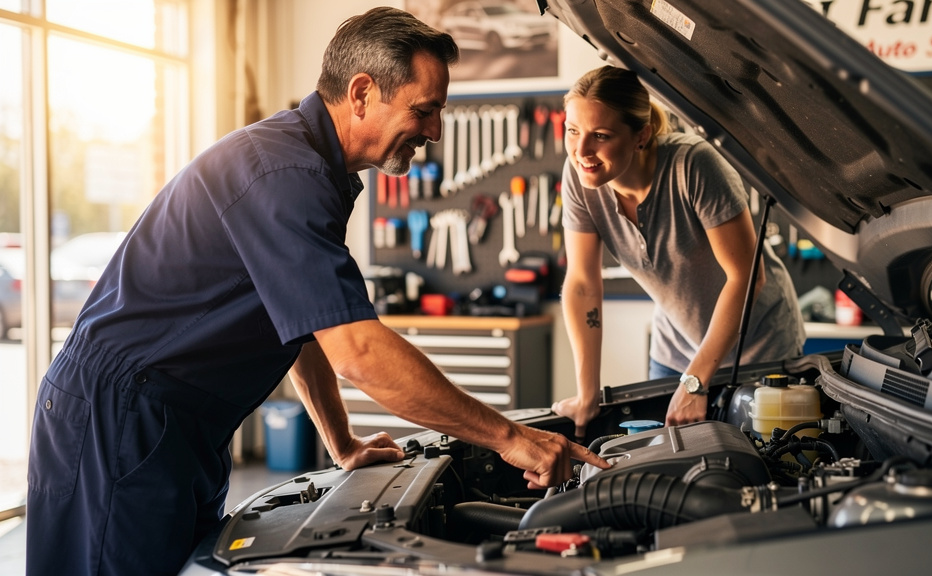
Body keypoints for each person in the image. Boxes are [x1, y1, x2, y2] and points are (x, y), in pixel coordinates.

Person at [26, 8, 607, 576]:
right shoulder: (284, 176)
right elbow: (357, 351)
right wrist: (508, 438)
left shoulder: (315, 172)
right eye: (424, 110)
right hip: (120, 416)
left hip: (180, 424)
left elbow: (301, 323)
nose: (434, 131)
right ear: (361, 94)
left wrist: (342, 441)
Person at [551, 66, 805, 437]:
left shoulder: (693, 166)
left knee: (762, 463)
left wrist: (696, 382)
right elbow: (583, 284)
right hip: (675, 352)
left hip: (759, 348)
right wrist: (587, 393)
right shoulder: (579, 176)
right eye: (573, 130)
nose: (581, 150)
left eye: (600, 135)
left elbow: (747, 276)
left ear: (641, 136)